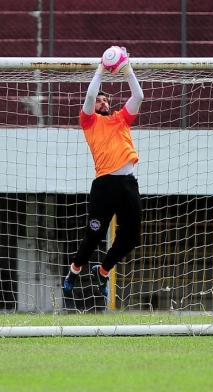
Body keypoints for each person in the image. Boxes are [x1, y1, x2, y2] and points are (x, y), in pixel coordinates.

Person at [63, 49, 144, 297]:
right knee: (95, 234)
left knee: (131, 238)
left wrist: (127, 69)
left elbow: (138, 95)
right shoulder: (89, 122)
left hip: (128, 183)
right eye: (100, 100)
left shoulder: (121, 119)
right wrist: (101, 68)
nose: (103, 102)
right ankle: (75, 269)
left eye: (106, 100)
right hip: (104, 184)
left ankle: (104, 270)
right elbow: (89, 94)